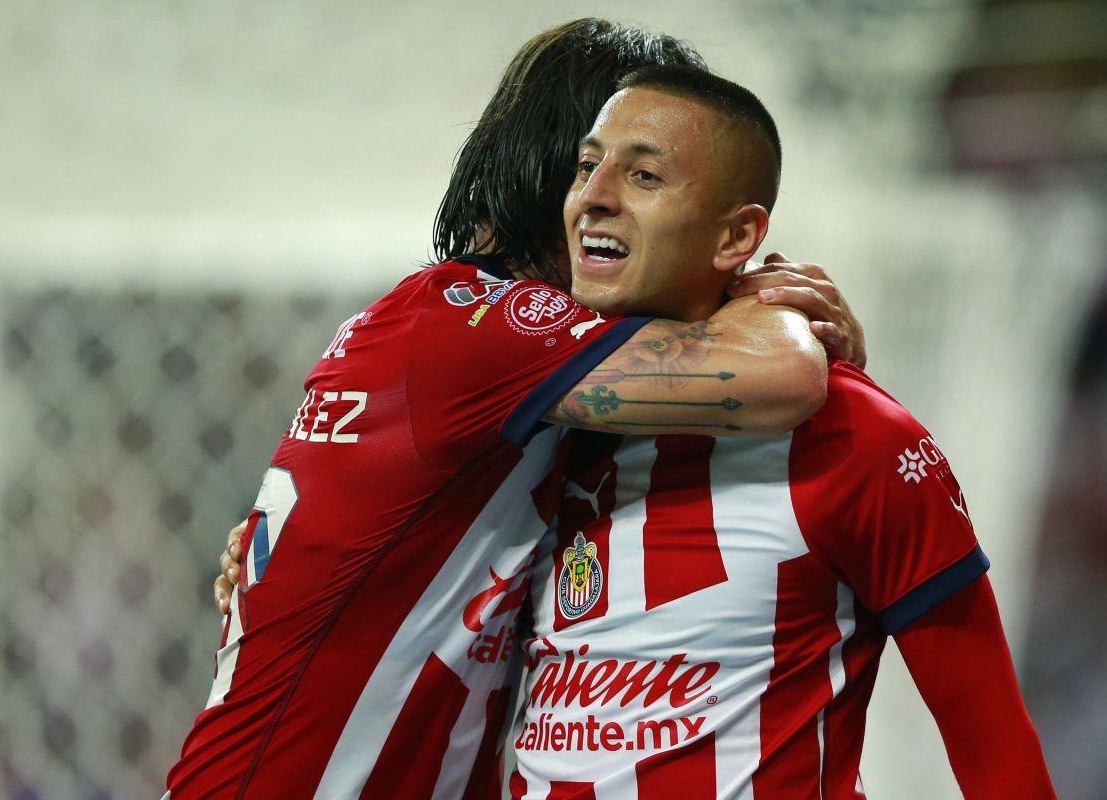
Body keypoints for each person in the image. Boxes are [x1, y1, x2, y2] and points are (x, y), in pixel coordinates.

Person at [167, 19, 862, 800]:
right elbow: (779, 377)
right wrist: (763, 300)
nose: (610, 197)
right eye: (604, 165)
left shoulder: (457, 333)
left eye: (648, 175)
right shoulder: (492, 329)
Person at [504, 66, 1056, 798]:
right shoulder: (532, 418)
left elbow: (995, 745)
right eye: (587, 165)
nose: (593, 197)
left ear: (738, 235)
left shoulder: (852, 435)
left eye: (643, 175)